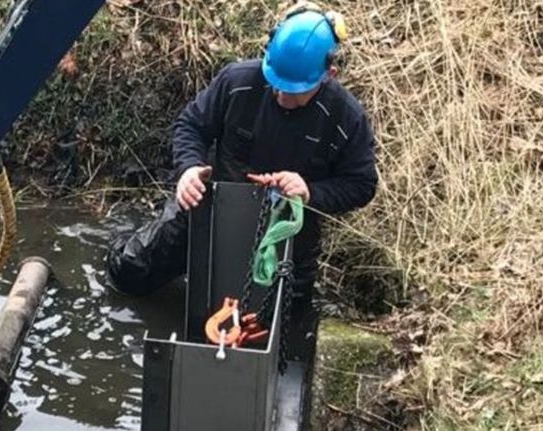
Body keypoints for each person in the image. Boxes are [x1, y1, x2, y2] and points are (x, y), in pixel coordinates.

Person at [105, 2, 378, 361]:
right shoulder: (238, 82)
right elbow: (191, 126)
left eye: (293, 91)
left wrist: (311, 191)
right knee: (129, 273)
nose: (281, 96)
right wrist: (188, 169)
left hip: (288, 237)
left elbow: (361, 184)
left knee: (284, 337)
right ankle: (122, 236)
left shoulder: (346, 118)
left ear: (329, 76)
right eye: (275, 83)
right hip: (210, 212)